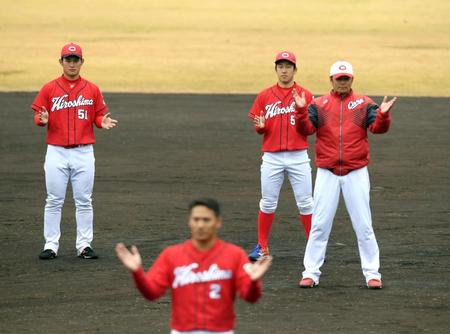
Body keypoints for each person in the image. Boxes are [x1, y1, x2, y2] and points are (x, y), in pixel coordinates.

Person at [294, 61, 397, 289]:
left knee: (364, 225)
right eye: (339, 79)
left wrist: (383, 115)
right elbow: (306, 130)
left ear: (352, 80)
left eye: (346, 79)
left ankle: (373, 274)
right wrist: (301, 111)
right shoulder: (318, 105)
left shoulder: (363, 104)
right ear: (331, 80)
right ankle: (310, 272)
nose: (342, 82)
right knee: (320, 224)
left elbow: (377, 129)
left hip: (356, 171)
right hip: (327, 172)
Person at [116, 198, 272, 334]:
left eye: (206, 220)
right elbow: (152, 293)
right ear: (189, 221)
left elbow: (251, 297)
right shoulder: (171, 255)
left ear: (218, 222)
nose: (200, 225)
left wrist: (253, 282)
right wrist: (137, 272)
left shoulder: (234, 255)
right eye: (196, 219)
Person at [31, 43, 118, 260]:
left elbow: (98, 115)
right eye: (68, 60)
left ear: (82, 62)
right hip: (56, 152)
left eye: (75, 59)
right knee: (53, 200)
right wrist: (41, 120)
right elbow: (39, 116)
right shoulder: (49, 88)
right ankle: (51, 245)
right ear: (61, 62)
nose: (71, 63)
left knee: (84, 200)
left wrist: (101, 121)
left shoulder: (92, 89)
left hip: (84, 152)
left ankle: (84, 245)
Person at [247, 51, 314, 261]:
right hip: (272, 157)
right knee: (267, 202)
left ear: (295, 69)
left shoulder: (306, 95)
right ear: (276, 69)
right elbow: (259, 126)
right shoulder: (264, 96)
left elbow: (311, 128)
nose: (284, 70)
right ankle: (262, 247)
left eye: (288, 66)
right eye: (280, 66)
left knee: (306, 203)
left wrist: (303, 113)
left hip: (298, 155)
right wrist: (260, 128)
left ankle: (314, 248)